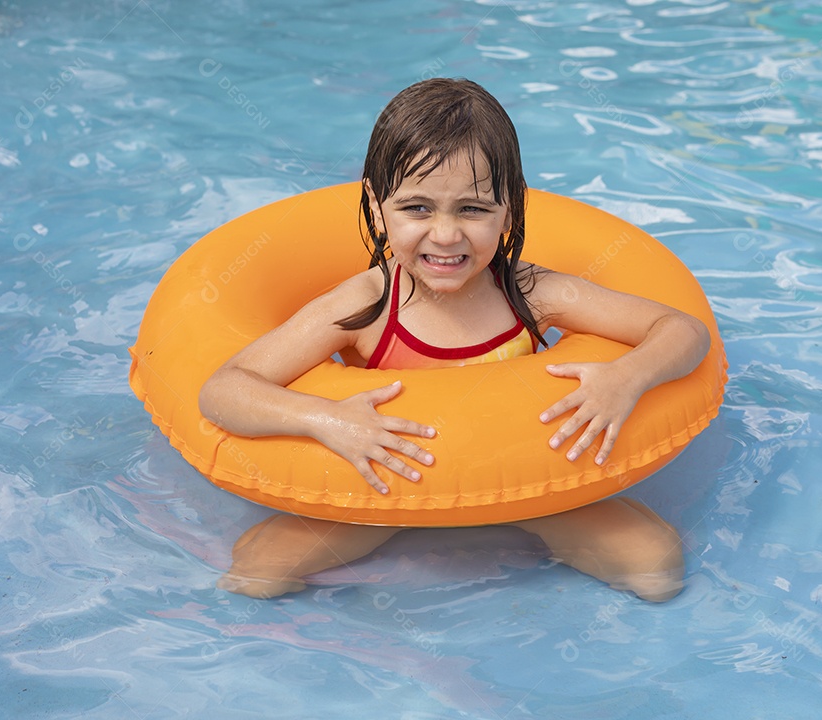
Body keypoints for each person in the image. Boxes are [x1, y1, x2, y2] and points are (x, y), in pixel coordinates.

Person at [198, 78, 711, 603]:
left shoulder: (532, 293)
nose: (445, 235)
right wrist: (326, 419)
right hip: (385, 498)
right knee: (256, 576)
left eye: (472, 209)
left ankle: (505, 537)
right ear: (377, 207)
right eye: (417, 208)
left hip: (528, 488)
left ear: (508, 208)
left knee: (656, 573)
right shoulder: (366, 306)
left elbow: (683, 331)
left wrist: (627, 377)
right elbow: (224, 390)